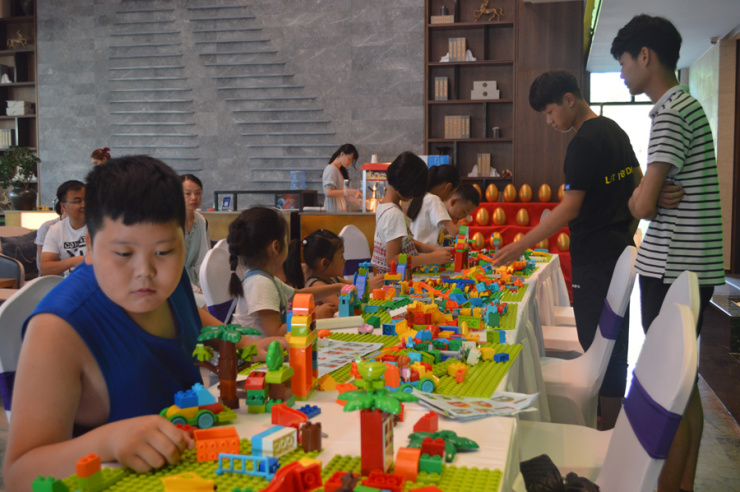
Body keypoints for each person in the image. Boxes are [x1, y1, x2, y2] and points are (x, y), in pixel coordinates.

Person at [3, 156, 279, 489]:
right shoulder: (57, 329)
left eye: (164, 252)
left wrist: (243, 342)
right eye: (123, 254)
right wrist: (108, 442)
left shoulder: (170, 282)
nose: (145, 272)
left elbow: (191, 315)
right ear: (89, 246)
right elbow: (19, 473)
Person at [492, 70, 643, 429]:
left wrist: (520, 244)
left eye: (549, 112)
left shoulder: (582, 143)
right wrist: (626, 230)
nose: (549, 121)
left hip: (594, 258)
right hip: (617, 249)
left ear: (569, 100)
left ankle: (606, 429)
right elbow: (637, 185)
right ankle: (610, 425)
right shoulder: (615, 130)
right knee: (614, 343)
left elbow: (569, 208)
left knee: (597, 343)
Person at [611, 15, 724, 492]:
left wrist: (643, 196)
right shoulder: (687, 106)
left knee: (667, 387)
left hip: (672, 266)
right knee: (683, 385)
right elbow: (647, 197)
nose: (622, 73)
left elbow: (641, 205)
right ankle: (682, 484)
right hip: (692, 264)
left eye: (623, 63)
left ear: (645, 56)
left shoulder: (670, 113)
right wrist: (646, 195)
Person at [227, 206, 347, 339]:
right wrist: (314, 316)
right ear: (276, 247)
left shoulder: (264, 278)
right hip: (255, 352)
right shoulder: (260, 284)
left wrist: (338, 287)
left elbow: (299, 295)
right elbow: (276, 333)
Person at [370, 151, 452, 274]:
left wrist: (434, 250)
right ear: (406, 184)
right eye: (415, 190)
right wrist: (430, 258)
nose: (414, 195)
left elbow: (404, 242)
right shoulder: (394, 214)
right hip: (395, 280)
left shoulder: (384, 206)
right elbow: (392, 259)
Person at [409, 165, 471, 246]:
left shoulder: (420, 197)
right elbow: (454, 232)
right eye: (452, 193)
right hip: (426, 252)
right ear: (448, 187)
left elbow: (428, 233)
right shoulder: (434, 200)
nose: (448, 198)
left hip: (415, 250)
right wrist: (460, 228)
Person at [40, 180, 87, 277]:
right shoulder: (56, 230)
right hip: (70, 282)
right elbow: (45, 268)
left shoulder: (101, 226)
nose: (84, 205)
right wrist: (73, 261)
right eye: (78, 201)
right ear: (63, 206)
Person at [180, 174, 210, 290]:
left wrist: (204, 287)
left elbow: (203, 261)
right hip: (175, 284)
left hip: (195, 282)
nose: (194, 198)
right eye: (188, 193)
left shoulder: (201, 221)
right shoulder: (169, 222)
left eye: (198, 193)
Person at [323, 144, 362, 213]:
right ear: (342, 154)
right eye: (349, 159)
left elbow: (344, 196)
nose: (350, 162)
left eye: (351, 160)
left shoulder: (339, 170)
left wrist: (360, 201)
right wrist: (348, 191)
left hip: (339, 212)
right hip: (332, 213)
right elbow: (328, 192)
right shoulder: (331, 169)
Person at [35, 198, 64, 274]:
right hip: (53, 274)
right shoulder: (48, 227)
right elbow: (42, 264)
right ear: (63, 208)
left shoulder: (84, 227)